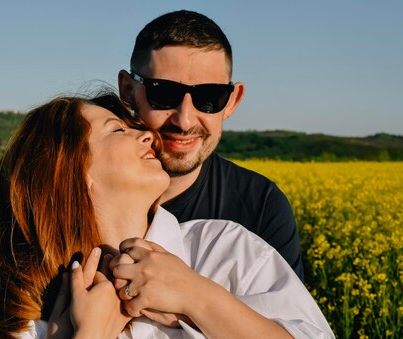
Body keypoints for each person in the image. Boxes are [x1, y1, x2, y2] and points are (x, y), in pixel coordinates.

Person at [0, 93, 339, 339]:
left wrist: (195, 296)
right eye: (118, 130)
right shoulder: (29, 297)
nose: (147, 136)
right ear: (73, 171)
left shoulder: (226, 249)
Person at [117, 10, 305, 282]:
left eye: (209, 97)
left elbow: (290, 324)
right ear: (128, 90)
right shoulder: (78, 190)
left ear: (231, 101)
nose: (184, 120)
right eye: (164, 93)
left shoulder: (259, 206)